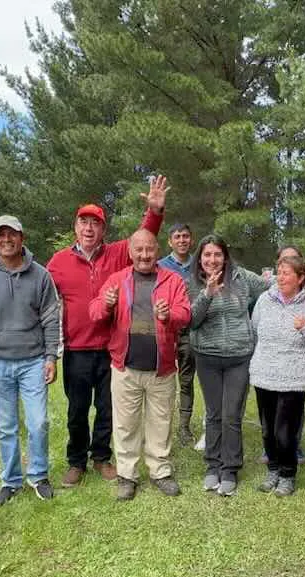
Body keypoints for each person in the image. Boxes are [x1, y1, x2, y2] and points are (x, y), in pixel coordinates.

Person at [47, 176, 170, 488]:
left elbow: (144, 241)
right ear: (75, 227)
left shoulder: (116, 254)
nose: (89, 229)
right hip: (76, 349)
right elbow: (43, 302)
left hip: (111, 349)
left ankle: (101, 457)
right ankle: (76, 461)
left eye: (95, 224)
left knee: (107, 408)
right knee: (76, 409)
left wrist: (154, 211)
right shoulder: (59, 262)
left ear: (103, 230)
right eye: (83, 223)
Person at [0, 215, 61, 506]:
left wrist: (51, 356)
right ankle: (10, 480)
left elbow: (51, 318)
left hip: (33, 362)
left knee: (38, 422)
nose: (7, 240)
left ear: (22, 237)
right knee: (5, 426)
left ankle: (39, 475)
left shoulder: (41, 275)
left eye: (12, 234)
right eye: (0, 235)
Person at [89, 229, 191, 500]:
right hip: (126, 366)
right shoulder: (117, 279)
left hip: (162, 367)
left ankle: (160, 471)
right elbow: (94, 311)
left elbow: (185, 313)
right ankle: (127, 475)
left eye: (149, 249)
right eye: (139, 250)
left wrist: (169, 315)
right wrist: (107, 305)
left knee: (160, 421)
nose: (144, 255)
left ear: (157, 250)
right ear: (131, 252)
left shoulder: (173, 279)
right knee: (126, 424)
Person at [188, 234, 269, 496]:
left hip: (239, 356)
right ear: (200, 257)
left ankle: (230, 469)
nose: (212, 260)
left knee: (231, 414)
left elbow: (273, 286)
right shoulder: (191, 282)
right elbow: (192, 320)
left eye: (217, 254)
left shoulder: (241, 278)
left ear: (225, 256)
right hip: (207, 356)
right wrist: (207, 294)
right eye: (207, 255)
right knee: (214, 414)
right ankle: (213, 466)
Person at [249, 254, 305, 496]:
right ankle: (272, 469)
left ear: (301, 278)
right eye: (279, 272)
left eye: (286, 273)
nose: (280, 277)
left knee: (285, 431)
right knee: (267, 429)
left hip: (293, 378)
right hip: (264, 374)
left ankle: (287, 474)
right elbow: (255, 330)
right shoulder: (265, 299)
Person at [157, 222, 197, 447]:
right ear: (170, 241)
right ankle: (160, 425)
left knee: (186, 379)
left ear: (190, 240)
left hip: (191, 332)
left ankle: (184, 426)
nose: (181, 240)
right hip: (165, 330)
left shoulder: (198, 265)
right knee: (161, 380)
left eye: (185, 236)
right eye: (177, 237)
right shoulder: (160, 266)